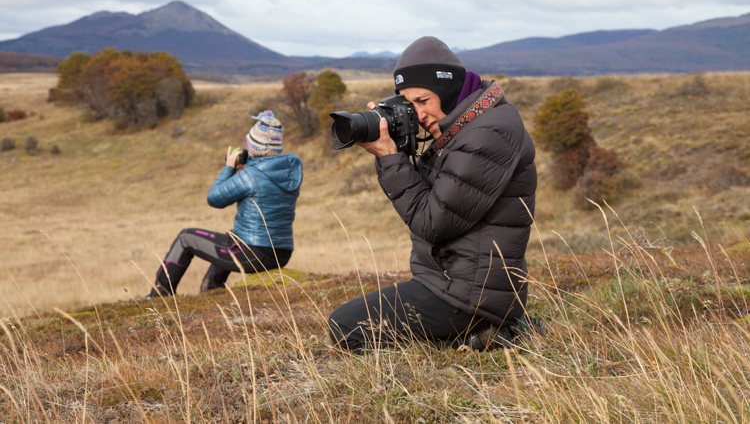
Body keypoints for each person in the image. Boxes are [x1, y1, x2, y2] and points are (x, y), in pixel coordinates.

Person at [328, 36, 539, 352]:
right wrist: (401, 143)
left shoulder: (488, 134)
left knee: (345, 327)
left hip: (469, 295)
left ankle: (480, 334)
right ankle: (485, 334)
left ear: (449, 92)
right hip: (454, 282)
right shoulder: (466, 125)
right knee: (353, 321)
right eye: (406, 103)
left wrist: (390, 159)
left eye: (423, 100)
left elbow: (433, 221)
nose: (417, 113)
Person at [144, 110, 303, 298]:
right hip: (282, 253)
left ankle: (158, 296)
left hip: (253, 254)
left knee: (185, 237)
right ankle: (211, 291)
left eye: (248, 144)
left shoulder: (251, 176)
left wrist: (229, 168)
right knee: (229, 239)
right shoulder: (288, 174)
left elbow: (214, 199)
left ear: (253, 148)